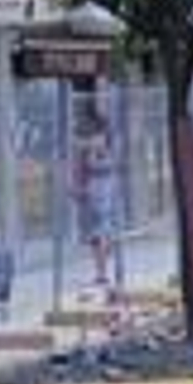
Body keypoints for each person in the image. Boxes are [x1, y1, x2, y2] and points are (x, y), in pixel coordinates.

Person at [70, 99, 118, 291]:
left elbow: (97, 164)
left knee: (99, 233)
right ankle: (102, 268)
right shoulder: (91, 144)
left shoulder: (100, 144)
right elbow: (81, 164)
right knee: (97, 234)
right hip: (95, 190)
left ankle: (102, 274)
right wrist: (78, 186)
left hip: (100, 191)